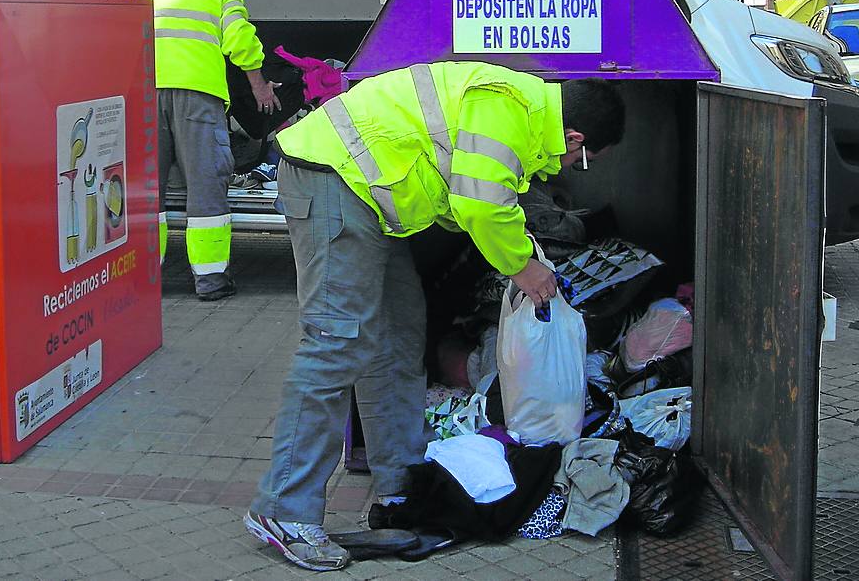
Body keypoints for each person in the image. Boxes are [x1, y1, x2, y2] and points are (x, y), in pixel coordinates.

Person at [243, 62, 625, 571]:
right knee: (336, 343)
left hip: (363, 196)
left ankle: (402, 488)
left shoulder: (520, 115)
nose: (565, 169)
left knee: (400, 336)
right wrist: (523, 268)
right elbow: (482, 204)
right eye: (581, 160)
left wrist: (523, 250)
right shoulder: (508, 107)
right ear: (574, 137)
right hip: (332, 180)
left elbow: (466, 195)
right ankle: (283, 510)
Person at [134, 0, 279, 301]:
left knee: (147, 191)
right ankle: (211, 281)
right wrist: (258, 84)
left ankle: (146, 282)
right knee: (205, 185)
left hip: (144, 98)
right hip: (198, 98)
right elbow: (240, 40)